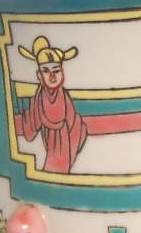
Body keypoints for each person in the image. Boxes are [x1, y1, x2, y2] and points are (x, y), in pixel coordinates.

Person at [15, 35, 87, 173]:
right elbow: (33, 121)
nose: (52, 76)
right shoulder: (39, 96)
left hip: (64, 138)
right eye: (46, 71)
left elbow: (72, 121)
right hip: (49, 138)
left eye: (56, 71)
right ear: (38, 75)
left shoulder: (63, 97)